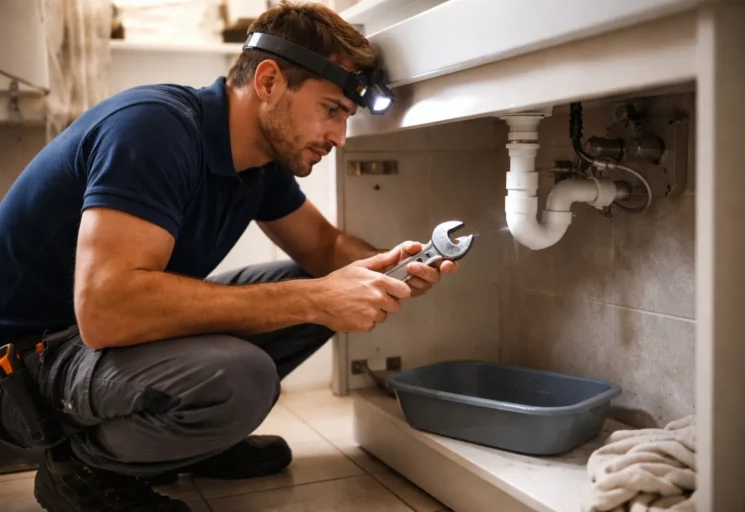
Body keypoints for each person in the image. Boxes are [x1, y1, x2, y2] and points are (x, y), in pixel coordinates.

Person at [0, 2, 460, 511]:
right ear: (267, 82)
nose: (339, 137)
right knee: (245, 374)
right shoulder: (154, 130)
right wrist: (316, 297)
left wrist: (389, 267)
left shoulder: (258, 163)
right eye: (331, 109)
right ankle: (82, 466)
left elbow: (325, 249)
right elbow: (105, 310)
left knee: (324, 280)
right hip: (23, 364)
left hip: (89, 347)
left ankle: (185, 445)